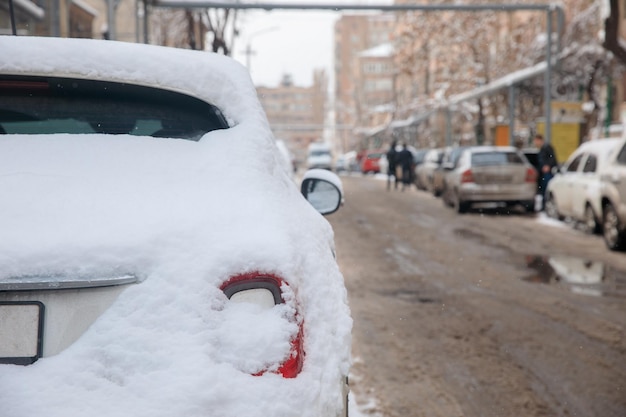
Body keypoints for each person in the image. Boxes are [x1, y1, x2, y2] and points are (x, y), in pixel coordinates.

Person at [533, 133, 557, 210]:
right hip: (543, 173)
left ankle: (545, 207)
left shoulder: (547, 148)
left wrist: (548, 166)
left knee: (546, 190)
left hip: (547, 174)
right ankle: (543, 206)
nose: (535, 143)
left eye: (536, 141)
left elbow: (553, 159)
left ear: (539, 140)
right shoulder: (542, 149)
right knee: (543, 190)